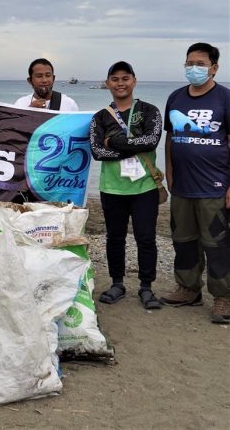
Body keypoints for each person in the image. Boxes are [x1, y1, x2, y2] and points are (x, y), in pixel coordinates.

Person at [159, 42, 230, 324]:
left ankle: (223, 296)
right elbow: (170, 139)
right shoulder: (176, 98)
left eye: (200, 64)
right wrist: (169, 173)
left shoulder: (225, 99)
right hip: (182, 187)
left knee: (218, 243)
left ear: (214, 68)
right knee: (183, 239)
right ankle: (188, 288)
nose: (193, 68)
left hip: (215, 186)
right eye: (189, 63)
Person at [89, 61, 163, 310]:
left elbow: (151, 140)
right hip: (112, 188)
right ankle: (117, 284)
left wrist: (114, 142)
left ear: (134, 81)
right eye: (115, 79)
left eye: (125, 78)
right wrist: (130, 146)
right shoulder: (99, 117)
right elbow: (97, 151)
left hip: (144, 188)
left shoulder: (149, 110)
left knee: (146, 238)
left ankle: (146, 287)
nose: (120, 83)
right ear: (108, 83)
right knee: (114, 238)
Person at [13, 58, 78, 111]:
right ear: (30, 81)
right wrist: (29, 110)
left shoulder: (69, 104)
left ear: (53, 78)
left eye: (48, 75)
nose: (44, 80)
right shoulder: (20, 104)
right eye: (39, 76)